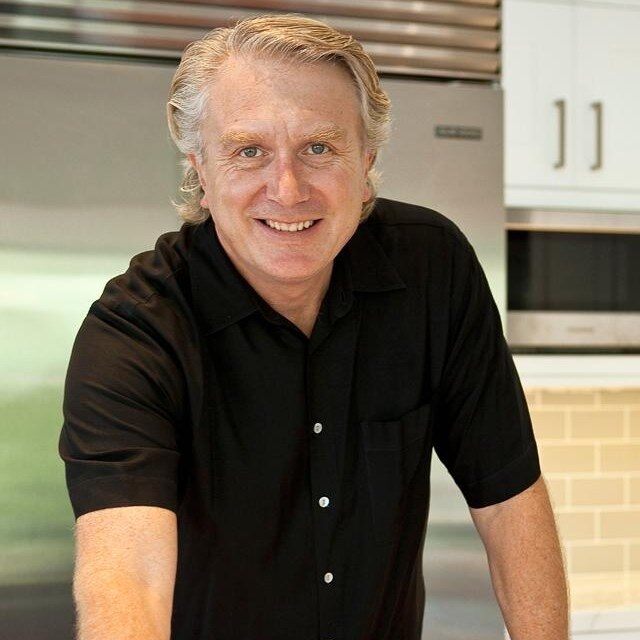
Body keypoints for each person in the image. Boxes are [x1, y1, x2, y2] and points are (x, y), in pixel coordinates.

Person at [59, 13, 569, 640]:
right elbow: (128, 575)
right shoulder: (136, 332)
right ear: (200, 169)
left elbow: (508, 498)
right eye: (249, 151)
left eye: (319, 148)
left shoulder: (432, 268)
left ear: (367, 163)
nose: (289, 188)